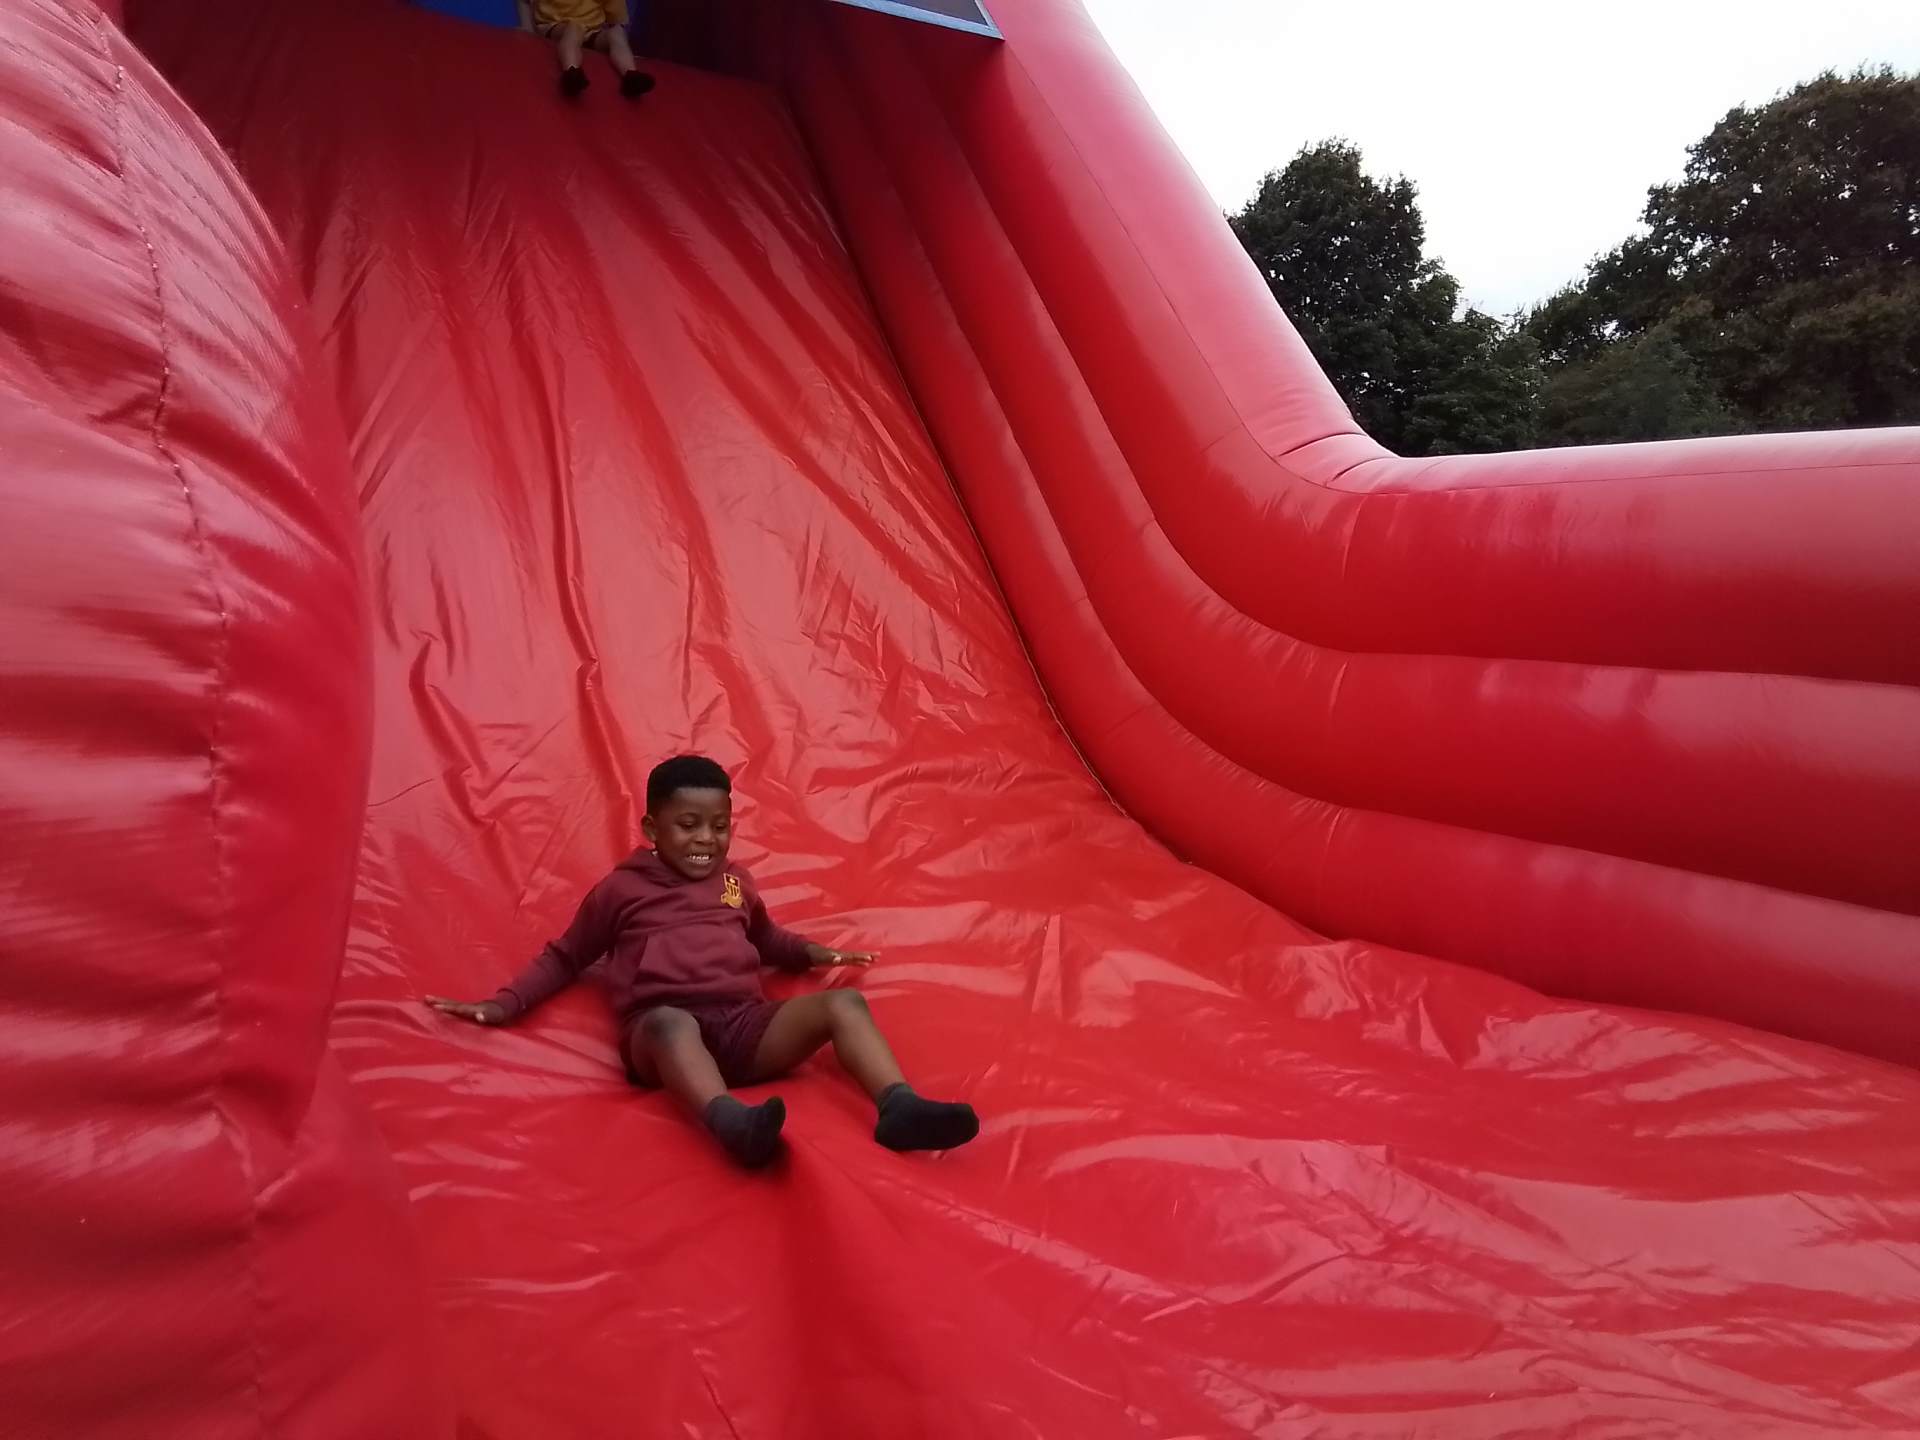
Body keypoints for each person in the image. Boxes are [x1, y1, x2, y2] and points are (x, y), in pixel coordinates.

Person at [426, 754, 979, 1168]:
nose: (706, 840)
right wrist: (504, 1005)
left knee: (845, 1003)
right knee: (670, 1023)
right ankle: (729, 1123)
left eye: (719, 826)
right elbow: (566, 956)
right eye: (688, 825)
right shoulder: (621, 890)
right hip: (665, 1037)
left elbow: (765, 938)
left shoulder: (736, 882)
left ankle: (899, 1107)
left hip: (744, 1025)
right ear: (652, 829)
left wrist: (813, 953)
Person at [518, 0, 656, 100]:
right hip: (556, 25)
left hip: (590, 31)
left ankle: (631, 74)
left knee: (616, 33)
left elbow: (616, 13)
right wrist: (528, 28)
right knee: (573, 29)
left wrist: (616, 24)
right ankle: (571, 71)